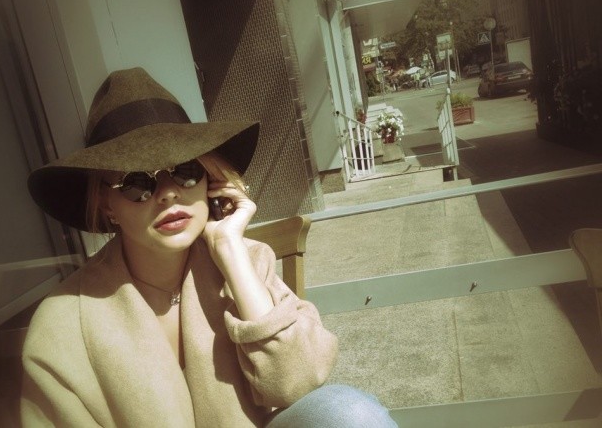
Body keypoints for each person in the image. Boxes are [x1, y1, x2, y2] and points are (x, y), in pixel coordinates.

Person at [21, 67, 398, 427]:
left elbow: (297, 382)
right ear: (107, 206)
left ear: (210, 180)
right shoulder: (65, 323)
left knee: (350, 414)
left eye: (185, 171)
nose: (169, 193)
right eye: (137, 183)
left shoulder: (247, 261)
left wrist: (230, 251)